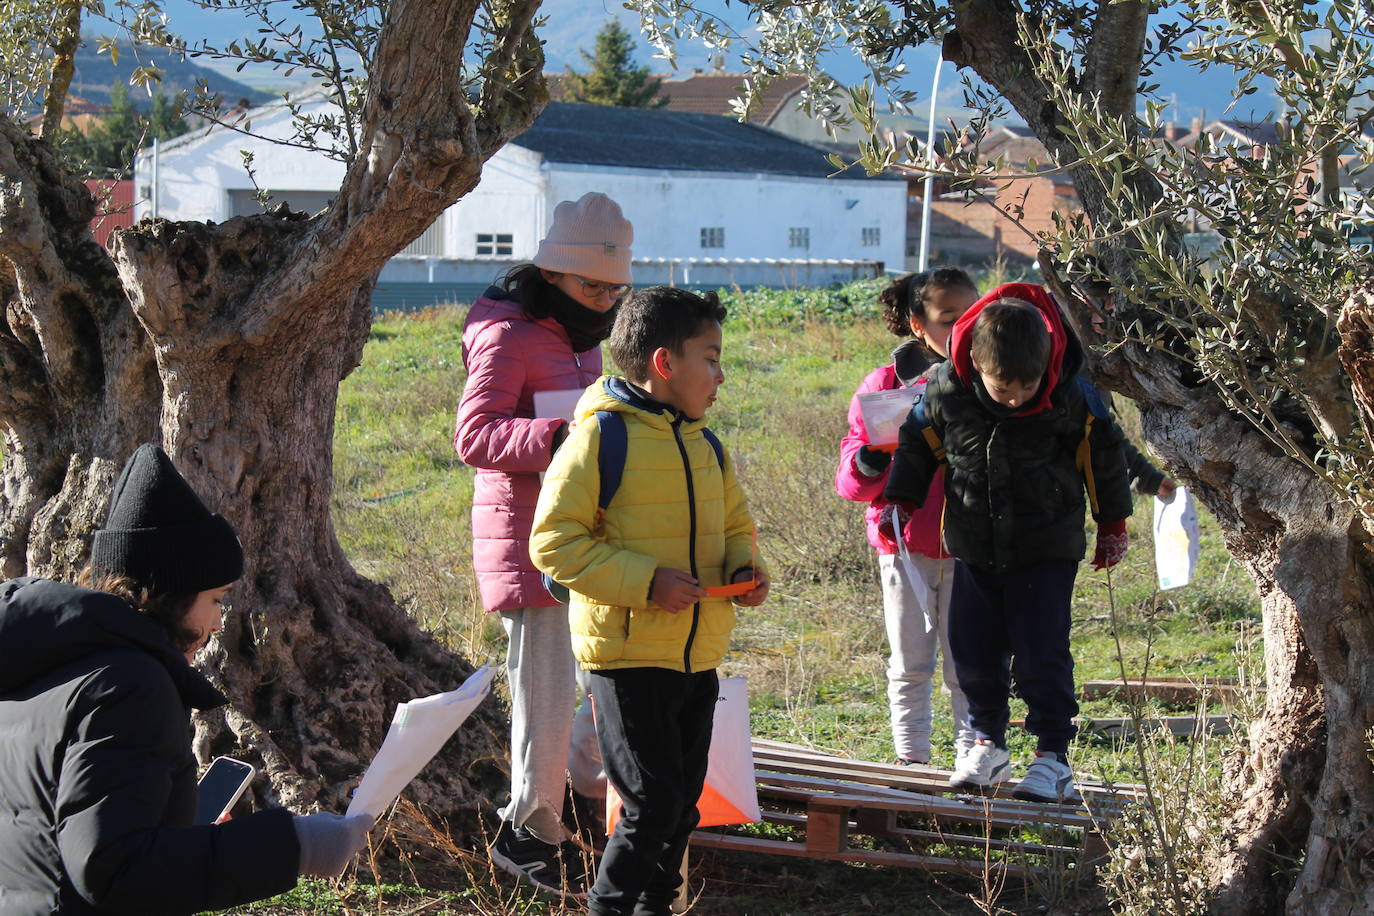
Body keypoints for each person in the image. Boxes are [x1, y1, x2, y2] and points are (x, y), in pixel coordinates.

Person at [0, 443, 372, 916]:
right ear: (169, 593)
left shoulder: (39, 663)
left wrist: (188, 835)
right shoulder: (129, 685)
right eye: (215, 599)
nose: (219, 623)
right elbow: (115, 872)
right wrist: (295, 844)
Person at [529, 286, 769, 916]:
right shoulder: (600, 438)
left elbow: (736, 524)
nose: (721, 375)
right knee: (651, 804)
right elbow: (553, 545)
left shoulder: (706, 444)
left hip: (696, 655)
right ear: (665, 363)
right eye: (711, 358)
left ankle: (655, 908)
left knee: (682, 804)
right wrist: (647, 581)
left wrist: (744, 568)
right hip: (626, 656)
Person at [884, 283, 1134, 803]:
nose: (1017, 396)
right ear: (975, 366)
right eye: (1004, 389)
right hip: (973, 547)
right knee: (973, 649)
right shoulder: (945, 389)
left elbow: (1105, 459)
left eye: (1028, 385)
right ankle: (987, 744)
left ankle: (1052, 755)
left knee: (1041, 650)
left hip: (1046, 549)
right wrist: (900, 501)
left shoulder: (1072, 394)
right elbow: (917, 442)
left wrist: (1113, 525)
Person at [454, 192, 628, 897]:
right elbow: (473, 437)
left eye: (616, 290)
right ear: (553, 273)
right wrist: (559, 440)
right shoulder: (508, 333)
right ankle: (528, 835)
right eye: (592, 287)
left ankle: (580, 810)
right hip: (528, 544)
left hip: (584, 540)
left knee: (595, 686)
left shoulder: (576, 336)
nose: (606, 301)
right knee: (546, 695)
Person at [835, 268, 979, 768]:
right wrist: (871, 461)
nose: (965, 328)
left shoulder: (990, 379)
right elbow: (850, 479)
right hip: (904, 550)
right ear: (918, 324)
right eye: (949, 318)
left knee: (968, 667)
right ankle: (911, 764)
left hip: (972, 549)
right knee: (910, 665)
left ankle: (973, 767)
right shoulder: (883, 385)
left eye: (974, 316)